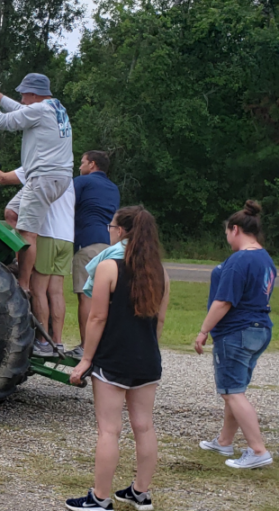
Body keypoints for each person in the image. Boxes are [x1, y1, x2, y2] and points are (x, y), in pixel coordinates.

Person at [68, 206, 170, 511]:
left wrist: (86, 360)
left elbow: (97, 317)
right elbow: (160, 321)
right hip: (148, 360)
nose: (110, 231)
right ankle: (141, 492)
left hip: (113, 360)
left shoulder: (108, 267)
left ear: (121, 231)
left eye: (112, 227)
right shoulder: (161, 272)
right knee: (144, 427)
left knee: (109, 430)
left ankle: (100, 498)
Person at [0, 73, 73, 295]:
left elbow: (3, 121)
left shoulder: (39, 110)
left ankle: (24, 285)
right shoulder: (55, 107)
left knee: (28, 233)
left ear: (34, 94)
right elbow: (20, 110)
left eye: (23, 94)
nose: (21, 98)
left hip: (43, 178)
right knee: (12, 213)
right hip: (56, 177)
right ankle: (20, 264)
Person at [195, 200, 274, 470]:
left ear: (235, 229)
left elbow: (224, 301)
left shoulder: (240, 260)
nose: (227, 237)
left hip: (236, 332)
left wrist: (204, 330)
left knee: (232, 392)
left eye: (227, 232)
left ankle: (257, 449)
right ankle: (224, 441)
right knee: (235, 389)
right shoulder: (265, 258)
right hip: (259, 329)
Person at [0, 148, 74, 357]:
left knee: (37, 291)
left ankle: (43, 343)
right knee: (56, 293)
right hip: (67, 239)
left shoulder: (38, 166)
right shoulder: (64, 173)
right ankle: (57, 343)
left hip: (48, 235)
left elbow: (2, 177)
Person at [71, 151, 120, 357]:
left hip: (87, 243)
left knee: (86, 297)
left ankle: (85, 346)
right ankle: (104, 345)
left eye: (82, 163)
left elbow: (63, 203)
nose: (79, 167)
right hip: (110, 245)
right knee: (105, 299)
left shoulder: (82, 182)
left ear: (92, 165)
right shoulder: (114, 188)